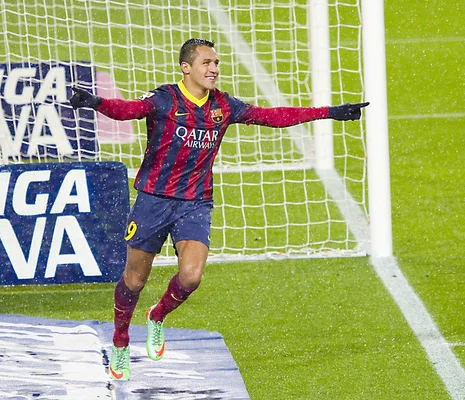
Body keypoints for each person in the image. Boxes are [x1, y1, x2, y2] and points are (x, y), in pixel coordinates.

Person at [69, 38, 368, 381]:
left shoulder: (224, 106)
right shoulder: (164, 98)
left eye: (216, 63)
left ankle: (157, 316)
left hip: (195, 202)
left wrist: (327, 112)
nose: (214, 69)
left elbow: (271, 116)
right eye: (207, 63)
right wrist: (95, 102)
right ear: (186, 67)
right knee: (134, 280)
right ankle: (120, 341)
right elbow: (127, 110)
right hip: (153, 200)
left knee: (192, 276)